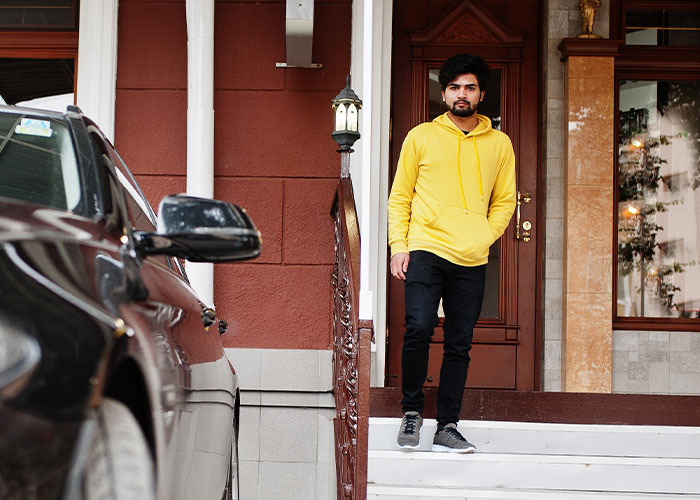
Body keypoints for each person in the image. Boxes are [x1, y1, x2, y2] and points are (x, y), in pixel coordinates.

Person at [388, 53, 516, 453]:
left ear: (481, 94)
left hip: (471, 259)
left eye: (470, 87)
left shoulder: (500, 143)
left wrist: (483, 236)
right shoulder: (420, 136)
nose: (463, 94)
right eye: (455, 87)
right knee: (419, 329)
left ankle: (448, 425)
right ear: (444, 93)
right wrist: (399, 246)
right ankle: (412, 412)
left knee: (459, 342)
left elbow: (506, 200)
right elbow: (399, 198)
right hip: (426, 248)